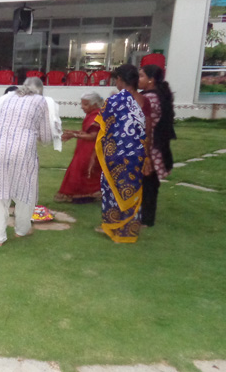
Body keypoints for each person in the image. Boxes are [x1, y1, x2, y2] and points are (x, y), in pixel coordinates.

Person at [0, 82, 53, 245]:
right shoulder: (40, 101)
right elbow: (47, 137)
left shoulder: (5, 98)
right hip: (22, 151)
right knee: (25, 193)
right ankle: (21, 230)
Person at [94, 64, 147, 243]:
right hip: (138, 154)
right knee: (132, 190)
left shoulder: (115, 100)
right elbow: (150, 129)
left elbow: (104, 127)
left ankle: (113, 226)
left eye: (116, 79)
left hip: (116, 154)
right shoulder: (143, 100)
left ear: (121, 80)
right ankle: (128, 231)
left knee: (112, 189)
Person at [138, 64, 176, 227]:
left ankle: (146, 219)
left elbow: (141, 121)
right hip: (154, 143)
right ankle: (144, 216)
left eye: (141, 76)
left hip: (150, 145)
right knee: (148, 183)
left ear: (151, 80)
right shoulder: (155, 94)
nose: (138, 80)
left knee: (148, 183)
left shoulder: (150, 98)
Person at [54, 92, 103, 203]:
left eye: (85, 105)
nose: (82, 107)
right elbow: (86, 132)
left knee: (83, 171)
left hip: (91, 150)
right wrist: (73, 132)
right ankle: (85, 195)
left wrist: (73, 135)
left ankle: (83, 195)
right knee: (81, 170)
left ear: (94, 105)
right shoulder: (93, 114)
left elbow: (93, 136)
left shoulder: (97, 116)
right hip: (85, 148)